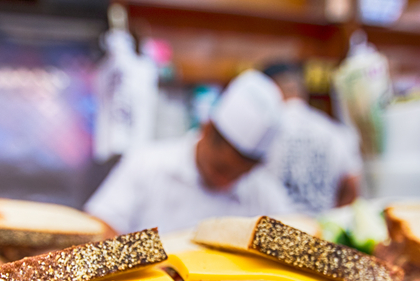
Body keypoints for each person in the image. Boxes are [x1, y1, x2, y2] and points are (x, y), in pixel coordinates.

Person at [84, 69, 294, 234]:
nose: (225, 181)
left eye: (239, 174)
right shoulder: (147, 164)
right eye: (221, 168)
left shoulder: (262, 192)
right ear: (207, 129)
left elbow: (295, 240)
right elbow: (99, 228)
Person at [262, 62, 362, 214]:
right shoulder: (335, 132)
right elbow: (352, 184)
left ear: (269, 89)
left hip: (272, 231)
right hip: (319, 232)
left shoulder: (263, 131)